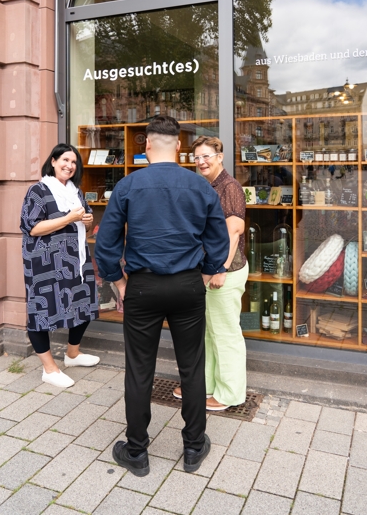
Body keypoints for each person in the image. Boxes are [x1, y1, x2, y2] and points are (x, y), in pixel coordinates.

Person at [94, 116, 230, 477]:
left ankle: (136, 451)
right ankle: (193, 447)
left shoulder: (128, 185)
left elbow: (106, 242)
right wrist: (206, 273)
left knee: (139, 369)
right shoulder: (200, 186)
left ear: (147, 146)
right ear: (180, 148)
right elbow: (219, 239)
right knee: (192, 367)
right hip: (187, 286)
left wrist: (118, 283)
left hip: (143, 286)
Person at [173, 136, 248, 410]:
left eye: (206, 156)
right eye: (197, 157)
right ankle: (204, 386)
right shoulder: (206, 185)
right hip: (208, 270)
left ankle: (229, 394)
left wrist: (221, 268)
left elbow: (234, 232)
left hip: (225, 272)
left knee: (225, 333)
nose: (201, 161)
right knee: (207, 333)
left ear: (220, 157)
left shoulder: (230, 187)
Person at [20, 144, 100, 389]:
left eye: (74, 162)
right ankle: (49, 369)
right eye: (65, 160)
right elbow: (31, 227)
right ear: (53, 161)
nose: (70, 165)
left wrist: (87, 220)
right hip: (45, 264)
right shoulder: (38, 190)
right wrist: (69, 218)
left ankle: (72, 355)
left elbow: (84, 220)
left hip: (76, 260)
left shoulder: (76, 191)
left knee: (84, 303)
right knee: (41, 313)